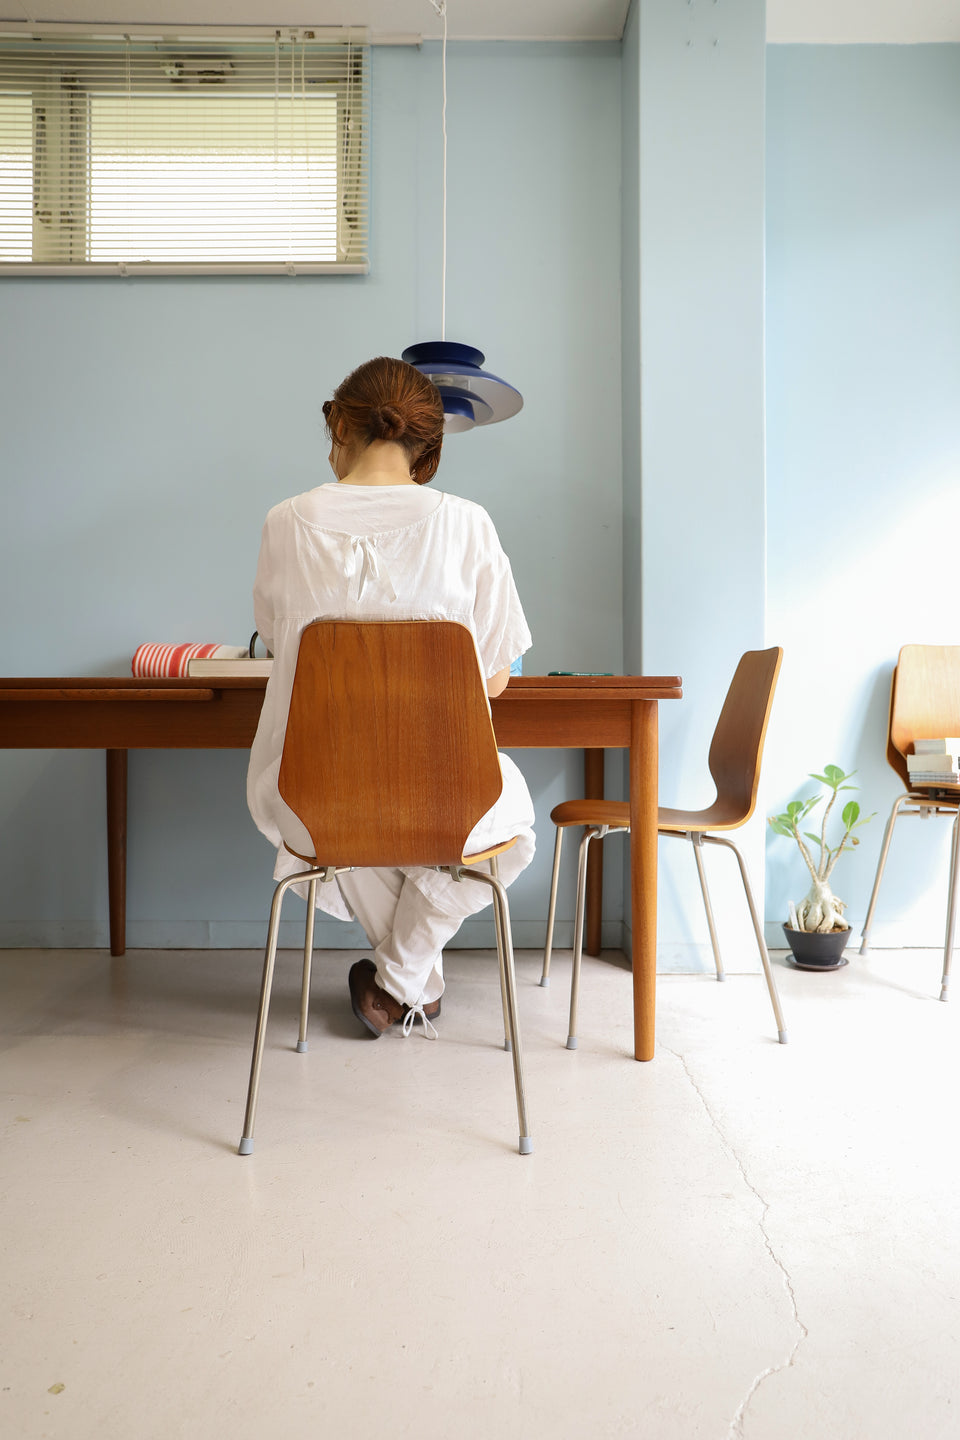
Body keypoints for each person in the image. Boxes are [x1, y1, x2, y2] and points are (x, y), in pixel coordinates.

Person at [246, 355, 535, 1038]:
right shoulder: (467, 524)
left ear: (338, 424)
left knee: (357, 833)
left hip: (311, 784)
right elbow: (492, 678)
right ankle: (406, 980)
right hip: (440, 780)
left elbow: (282, 647)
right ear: (428, 444)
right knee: (506, 837)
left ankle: (403, 982)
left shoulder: (285, 522)